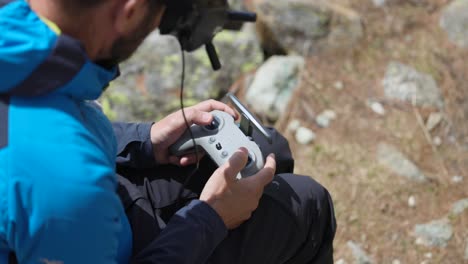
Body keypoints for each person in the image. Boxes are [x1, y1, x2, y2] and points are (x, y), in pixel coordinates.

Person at [0, 0, 336, 263]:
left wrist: (144, 140)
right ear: (129, 12)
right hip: (92, 230)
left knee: (268, 150)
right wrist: (211, 218)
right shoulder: (63, 182)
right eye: (158, 10)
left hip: (95, 208)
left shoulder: (14, 31)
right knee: (308, 205)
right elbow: (54, 169)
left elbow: (49, 122)